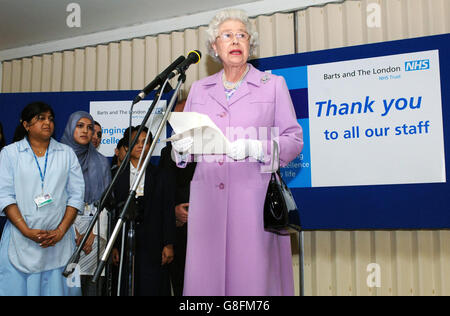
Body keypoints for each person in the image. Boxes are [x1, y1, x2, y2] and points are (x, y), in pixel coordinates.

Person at [171, 9, 303, 296]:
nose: (235, 40)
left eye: (242, 35)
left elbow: (294, 140)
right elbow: (188, 146)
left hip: (253, 201)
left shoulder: (273, 86)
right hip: (207, 203)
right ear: (214, 47)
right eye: (227, 35)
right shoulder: (198, 90)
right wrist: (180, 150)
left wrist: (257, 147)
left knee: (252, 282)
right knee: (206, 282)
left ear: (250, 44)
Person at [0, 102, 85, 296]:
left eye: (50, 118)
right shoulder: (10, 153)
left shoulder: (66, 153)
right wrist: (26, 230)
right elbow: (4, 195)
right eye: (40, 118)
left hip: (60, 241)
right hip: (20, 239)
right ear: (26, 125)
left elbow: (77, 194)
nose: (47, 122)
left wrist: (61, 231)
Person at [112, 126, 176, 296]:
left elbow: (167, 211)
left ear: (150, 146)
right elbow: (112, 215)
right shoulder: (116, 177)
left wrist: (168, 243)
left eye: (145, 142)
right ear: (126, 146)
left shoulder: (160, 175)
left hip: (154, 245)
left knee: (152, 286)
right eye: (136, 142)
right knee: (127, 286)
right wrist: (114, 247)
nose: (141, 146)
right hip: (126, 243)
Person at [61, 111, 112, 296]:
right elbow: (55, 198)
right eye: (80, 126)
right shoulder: (58, 158)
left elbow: (106, 202)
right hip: (66, 230)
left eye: (90, 128)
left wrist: (93, 233)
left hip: (94, 231)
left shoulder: (101, 162)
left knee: (92, 287)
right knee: (66, 286)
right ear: (70, 127)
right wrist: (73, 231)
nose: (86, 131)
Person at [159, 99, 196, 296]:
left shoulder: (212, 150)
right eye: (177, 117)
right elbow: (163, 193)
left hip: (207, 232)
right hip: (178, 233)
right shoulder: (166, 153)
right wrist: (173, 211)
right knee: (181, 286)